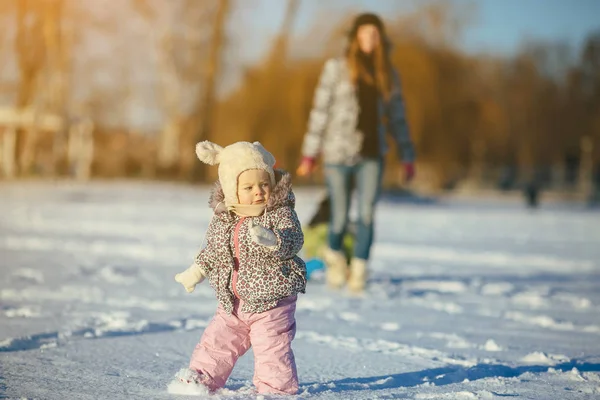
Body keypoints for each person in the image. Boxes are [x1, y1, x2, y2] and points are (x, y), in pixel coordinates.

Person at [174, 140, 306, 395]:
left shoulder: (279, 212)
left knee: (271, 349)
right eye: (248, 187)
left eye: (264, 184)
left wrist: (273, 240)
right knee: (217, 342)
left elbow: (294, 239)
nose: (258, 192)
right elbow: (214, 251)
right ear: (232, 189)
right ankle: (200, 380)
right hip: (232, 302)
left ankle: (275, 390)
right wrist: (196, 272)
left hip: (272, 302)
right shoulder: (225, 217)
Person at [296, 12, 416, 294]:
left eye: (374, 34)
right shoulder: (335, 68)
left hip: (372, 153)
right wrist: (310, 154)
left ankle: (359, 271)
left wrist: (407, 155)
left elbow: (398, 118)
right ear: (354, 38)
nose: (369, 39)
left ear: (380, 39)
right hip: (337, 153)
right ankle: (335, 259)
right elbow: (320, 112)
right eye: (364, 34)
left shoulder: (387, 74)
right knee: (338, 217)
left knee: (366, 216)